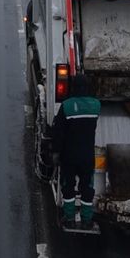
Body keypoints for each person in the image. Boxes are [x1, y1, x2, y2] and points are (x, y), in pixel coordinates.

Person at [52, 74, 101, 228]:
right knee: (87, 188)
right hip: (87, 156)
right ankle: (87, 220)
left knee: (68, 187)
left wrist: (56, 152)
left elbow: (58, 132)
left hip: (69, 156)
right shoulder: (96, 105)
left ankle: (69, 218)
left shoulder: (66, 106)